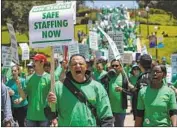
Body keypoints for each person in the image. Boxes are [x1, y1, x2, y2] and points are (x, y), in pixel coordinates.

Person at [47, 54, 114, 126]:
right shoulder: (58, 87)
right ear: (69, 67)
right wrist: (50, 104)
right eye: (74, 64)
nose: (78, 66)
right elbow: (50, 115)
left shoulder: (97, 87)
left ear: (86, 67)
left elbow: (106, 115)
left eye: (81, 64)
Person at [17, 54, 51, 127]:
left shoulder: (50, 78)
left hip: (44, 116)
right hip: (31, 116)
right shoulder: (29, 78)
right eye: (33, 61)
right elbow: (23, 96)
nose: (33, 63)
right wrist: (19, 87)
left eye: (35, 61)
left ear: (42, 63)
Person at [107, 59, 130, 127]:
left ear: (120, 67)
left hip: (120, 111)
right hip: (109, 110)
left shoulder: (124, 78)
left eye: (116, 65)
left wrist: (122, 90)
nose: (114, 67)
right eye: (113, 66)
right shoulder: (107, 77)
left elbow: (132, 92)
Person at [133, 54, 152, 119]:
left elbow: (141, 95)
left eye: (139, 63)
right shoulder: (156, 75)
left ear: (140, 65)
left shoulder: (143, 77)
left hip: (144, 113)